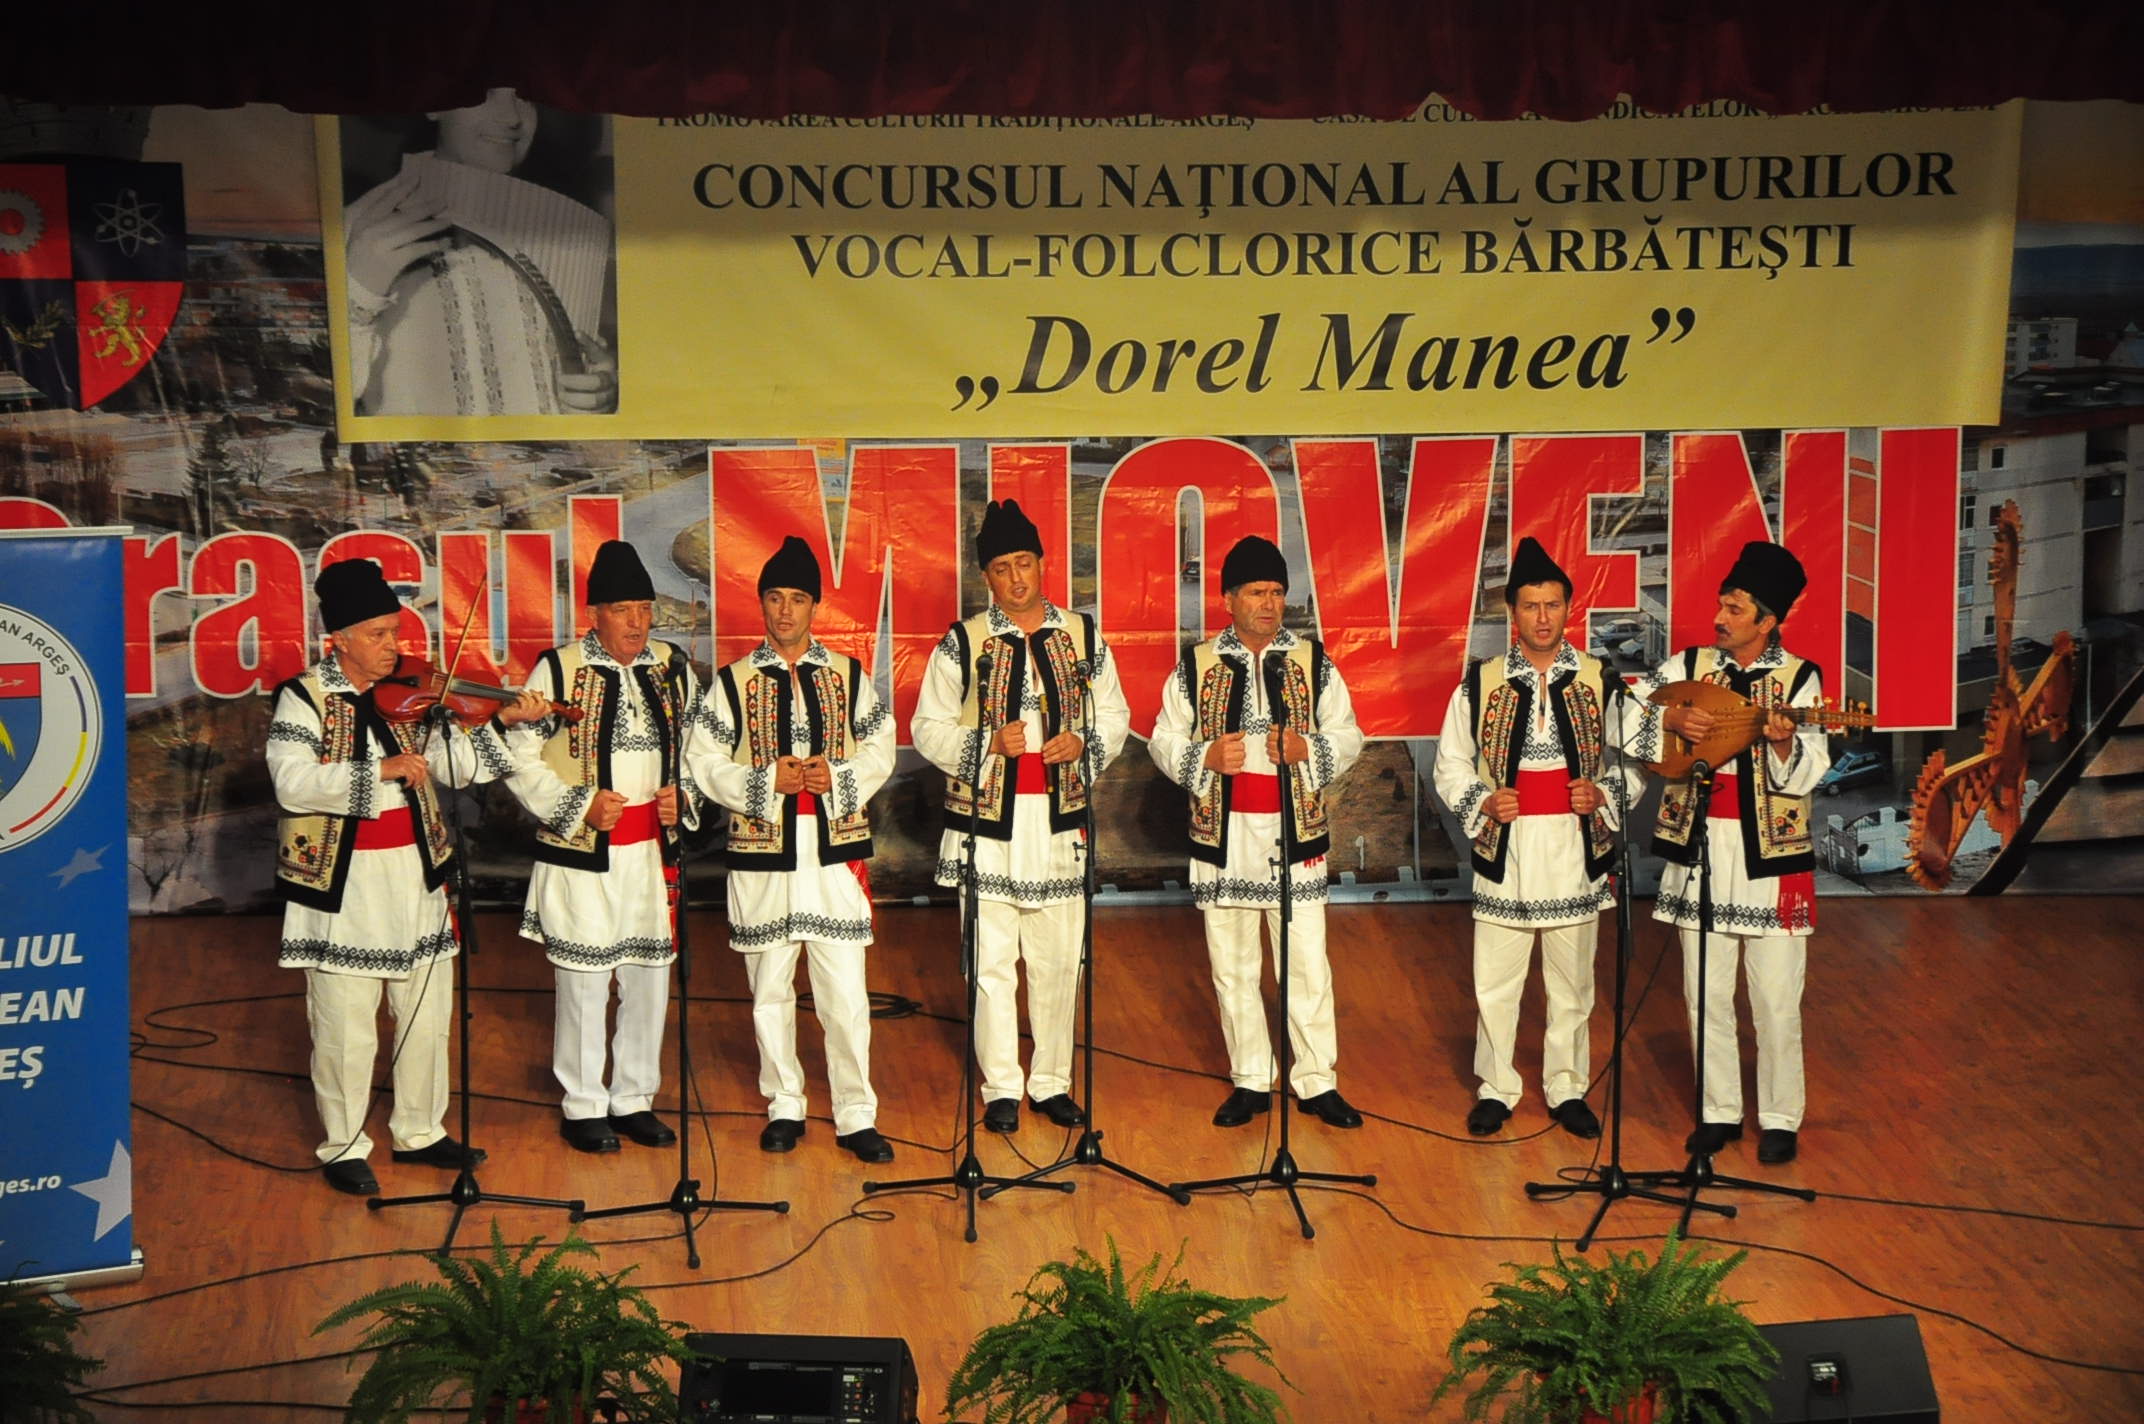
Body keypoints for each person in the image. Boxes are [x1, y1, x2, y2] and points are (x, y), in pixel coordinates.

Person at [269, 558, 547, 1195]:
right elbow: (290, 781)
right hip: (344, 886)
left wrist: (501, 722)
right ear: (338, 640)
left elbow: (456, 768)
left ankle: (420, 1130)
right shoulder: (302, 697)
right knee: (345, 1025)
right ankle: (343, 1144)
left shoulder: (411, 696)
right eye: (378, 634)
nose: (394, 646)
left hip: (418, 873)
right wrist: (382, 770)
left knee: (426, 1016)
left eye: (395, 631)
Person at [910, 499, 1130, 1134]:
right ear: (986, 576)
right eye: (1002, 568)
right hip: (988, 826)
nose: (1015, 578)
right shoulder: (962, 642)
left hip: (1059, 822)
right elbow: (926, 726)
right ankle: (1002, 1086)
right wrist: (985, 743)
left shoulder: (1083, 636)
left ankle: (1052, 1081)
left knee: (1059, 962)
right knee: (990, 964)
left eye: (1024, 563)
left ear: (1042, 564)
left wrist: (1084, 742)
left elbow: (1115, 713)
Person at [682, 537, 898, 1163]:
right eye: (775, 598)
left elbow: (880, 744)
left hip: (833, 855)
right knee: (769, 990)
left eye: (797, 599)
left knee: (845, 995)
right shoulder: (733, 683)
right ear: (762, 604)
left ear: (814, 606)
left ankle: (856, 1112)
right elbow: (702, 760)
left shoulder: (848, 677)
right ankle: (784, 1103)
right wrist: (761, 782)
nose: (784, 610)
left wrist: (841, 776)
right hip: (762, 854)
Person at [1148, 535, 1366, 1130]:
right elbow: (1163, 738)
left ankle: (1317, 1081)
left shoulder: (1313, 662)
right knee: (1233, 966)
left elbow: (1349, 733)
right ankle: (1249, 1078)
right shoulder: (1195, 665)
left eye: (1276, 593)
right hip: (1222, 837)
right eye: (1255, 593)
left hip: (1296, 835)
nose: (1268, 604)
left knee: (1306, 965)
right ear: (1228, 599)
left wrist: (1308, 748)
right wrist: (1203, 756)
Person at [1626, 541, 1830, 1166]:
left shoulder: (1800, 678)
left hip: (1770, 859)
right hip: (1700, 848)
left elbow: (1812, 766)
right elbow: (1624, 715)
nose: (1720, 617)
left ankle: (1780, 1116)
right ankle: (1718, 1111)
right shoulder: (1688, 666)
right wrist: (1669, 725)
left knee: (1775, 999)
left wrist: (1783, 744)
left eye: (1735, 608)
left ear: (1768, 620)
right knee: (1705, 993)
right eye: (1722, 603)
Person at [1433, 538, 1639, 1139]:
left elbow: (1638, 760)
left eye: (1552, 604)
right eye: (1531, 606)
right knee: (1495, 982)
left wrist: (1604, 792)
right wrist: (1483, 801)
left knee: (1572, 983)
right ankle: (1496, 1087)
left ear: (1569, 608)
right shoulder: (1480, 683)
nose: (1543, 617)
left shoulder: (1601, 680)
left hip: (1574, 851)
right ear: (1512, 612)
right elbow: (1451, 763)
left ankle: (1567, 1086)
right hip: (1508, 850)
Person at [494, 541, 695, 1155]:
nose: (637, 622)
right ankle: (582, 1104)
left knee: (648, 978)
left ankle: (633, 1098)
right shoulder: (557, 670)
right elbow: (519, 756)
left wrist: (682, 796)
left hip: (649, 851)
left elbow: (698, 748)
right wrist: (578, 804)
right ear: (594, 614)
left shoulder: (672, 666)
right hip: (582, 852)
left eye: (645, 609)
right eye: (623, 610)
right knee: (584, 982)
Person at [342, 87, 617, 416]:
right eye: (483, 92)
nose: (511, 117)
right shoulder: (356, 229)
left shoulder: (562, 236)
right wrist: (356, 296)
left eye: (524, 95)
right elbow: (314, 400)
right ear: (434, 106)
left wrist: (595, 397)